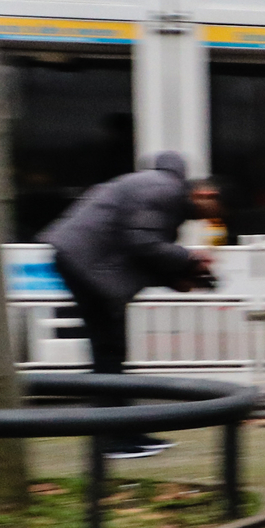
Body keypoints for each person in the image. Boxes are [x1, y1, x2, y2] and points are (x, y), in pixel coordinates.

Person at [41, 153, 217, 460]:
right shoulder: (163, 189)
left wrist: (180, 277)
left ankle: (124, 429)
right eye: (213, 209)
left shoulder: (161, 191)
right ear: (204, 193)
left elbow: (143, 251)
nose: (210, 218)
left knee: (112, 350)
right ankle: (113, 437)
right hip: (84, 264)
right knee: (108, 350)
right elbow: (142, 243)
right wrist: (187, 259)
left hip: (87, 264)